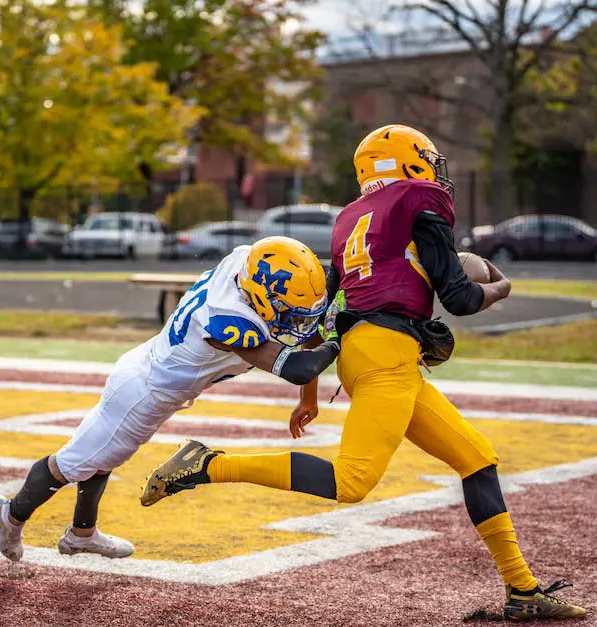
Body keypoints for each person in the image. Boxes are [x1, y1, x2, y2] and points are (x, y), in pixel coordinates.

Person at [141, 125, 585, 621]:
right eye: (427, 159)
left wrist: (308, 393)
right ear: (407, 162)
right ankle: (208, 464)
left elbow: (321, 313)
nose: (434, 170)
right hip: (386, 356)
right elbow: (459, 298)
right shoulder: (420, 199)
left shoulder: (351, 219)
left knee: (477, 459)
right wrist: (501, 288)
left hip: (369, 352)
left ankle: (521, 590)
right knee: (352, 482)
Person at [0, 236, 338, 561]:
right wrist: (337, 337)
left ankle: (82, 534)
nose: (297, 322)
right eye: (291, 313)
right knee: (70, 464)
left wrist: (309, 399)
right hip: (146, 394)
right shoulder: (227, 323)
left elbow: (306, 324)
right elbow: (298, 366)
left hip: (145, 367)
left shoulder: (246, 262)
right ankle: (11, 516)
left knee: (101, 454)